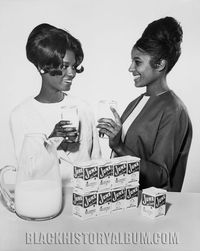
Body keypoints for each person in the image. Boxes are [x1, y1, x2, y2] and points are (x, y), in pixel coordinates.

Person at [97, 16, 192, 192]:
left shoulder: (174, 110)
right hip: (124, 203)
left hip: (149, 211)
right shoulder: (136, 102)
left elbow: (160, 176)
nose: (130, 68)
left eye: (137, 62)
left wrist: (118, 146)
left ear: (160, 64)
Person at [10, 23, 101, 185]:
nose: (72, 73)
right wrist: (52, 141)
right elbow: (26, 173)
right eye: (64, 66)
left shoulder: (83, 108)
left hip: (86, 201)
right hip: (46, 199)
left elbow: (96, 161)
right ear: (41, 67)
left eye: (73, 66)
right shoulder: (21, 115)